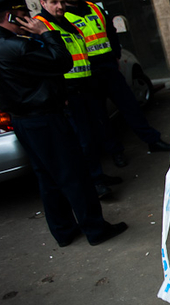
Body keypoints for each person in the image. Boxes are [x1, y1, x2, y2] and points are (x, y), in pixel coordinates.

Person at [0, 0, 127, 246]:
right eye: (22, 15)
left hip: (22, 121)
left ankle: (63, 231)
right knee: (73, 174)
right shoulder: (15, 46)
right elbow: (62, 61)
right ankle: (96, 230)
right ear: (10, 17)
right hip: (44, 118)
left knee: (48, 179)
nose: (28, 18)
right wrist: (45, 32)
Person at [64, 0, 170, 167]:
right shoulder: (63, 15)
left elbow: (110, 32)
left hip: (109, 67)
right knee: (101, 118)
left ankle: (153, 141)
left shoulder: (94, 8)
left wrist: (116, 54)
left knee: (131, 106)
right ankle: (116, 152)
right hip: (88, 74)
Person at [35, 0, 121, 198]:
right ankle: (95, 182)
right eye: (54, 2)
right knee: (83, 140)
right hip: (69, 91)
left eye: (61, 2)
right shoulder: (42, 26)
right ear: (43, 3)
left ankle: (98, 175)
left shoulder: (67, 23)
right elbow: (46, 65)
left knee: (93, 133)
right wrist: (59, 93)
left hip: (86, 86)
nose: (60, 6)